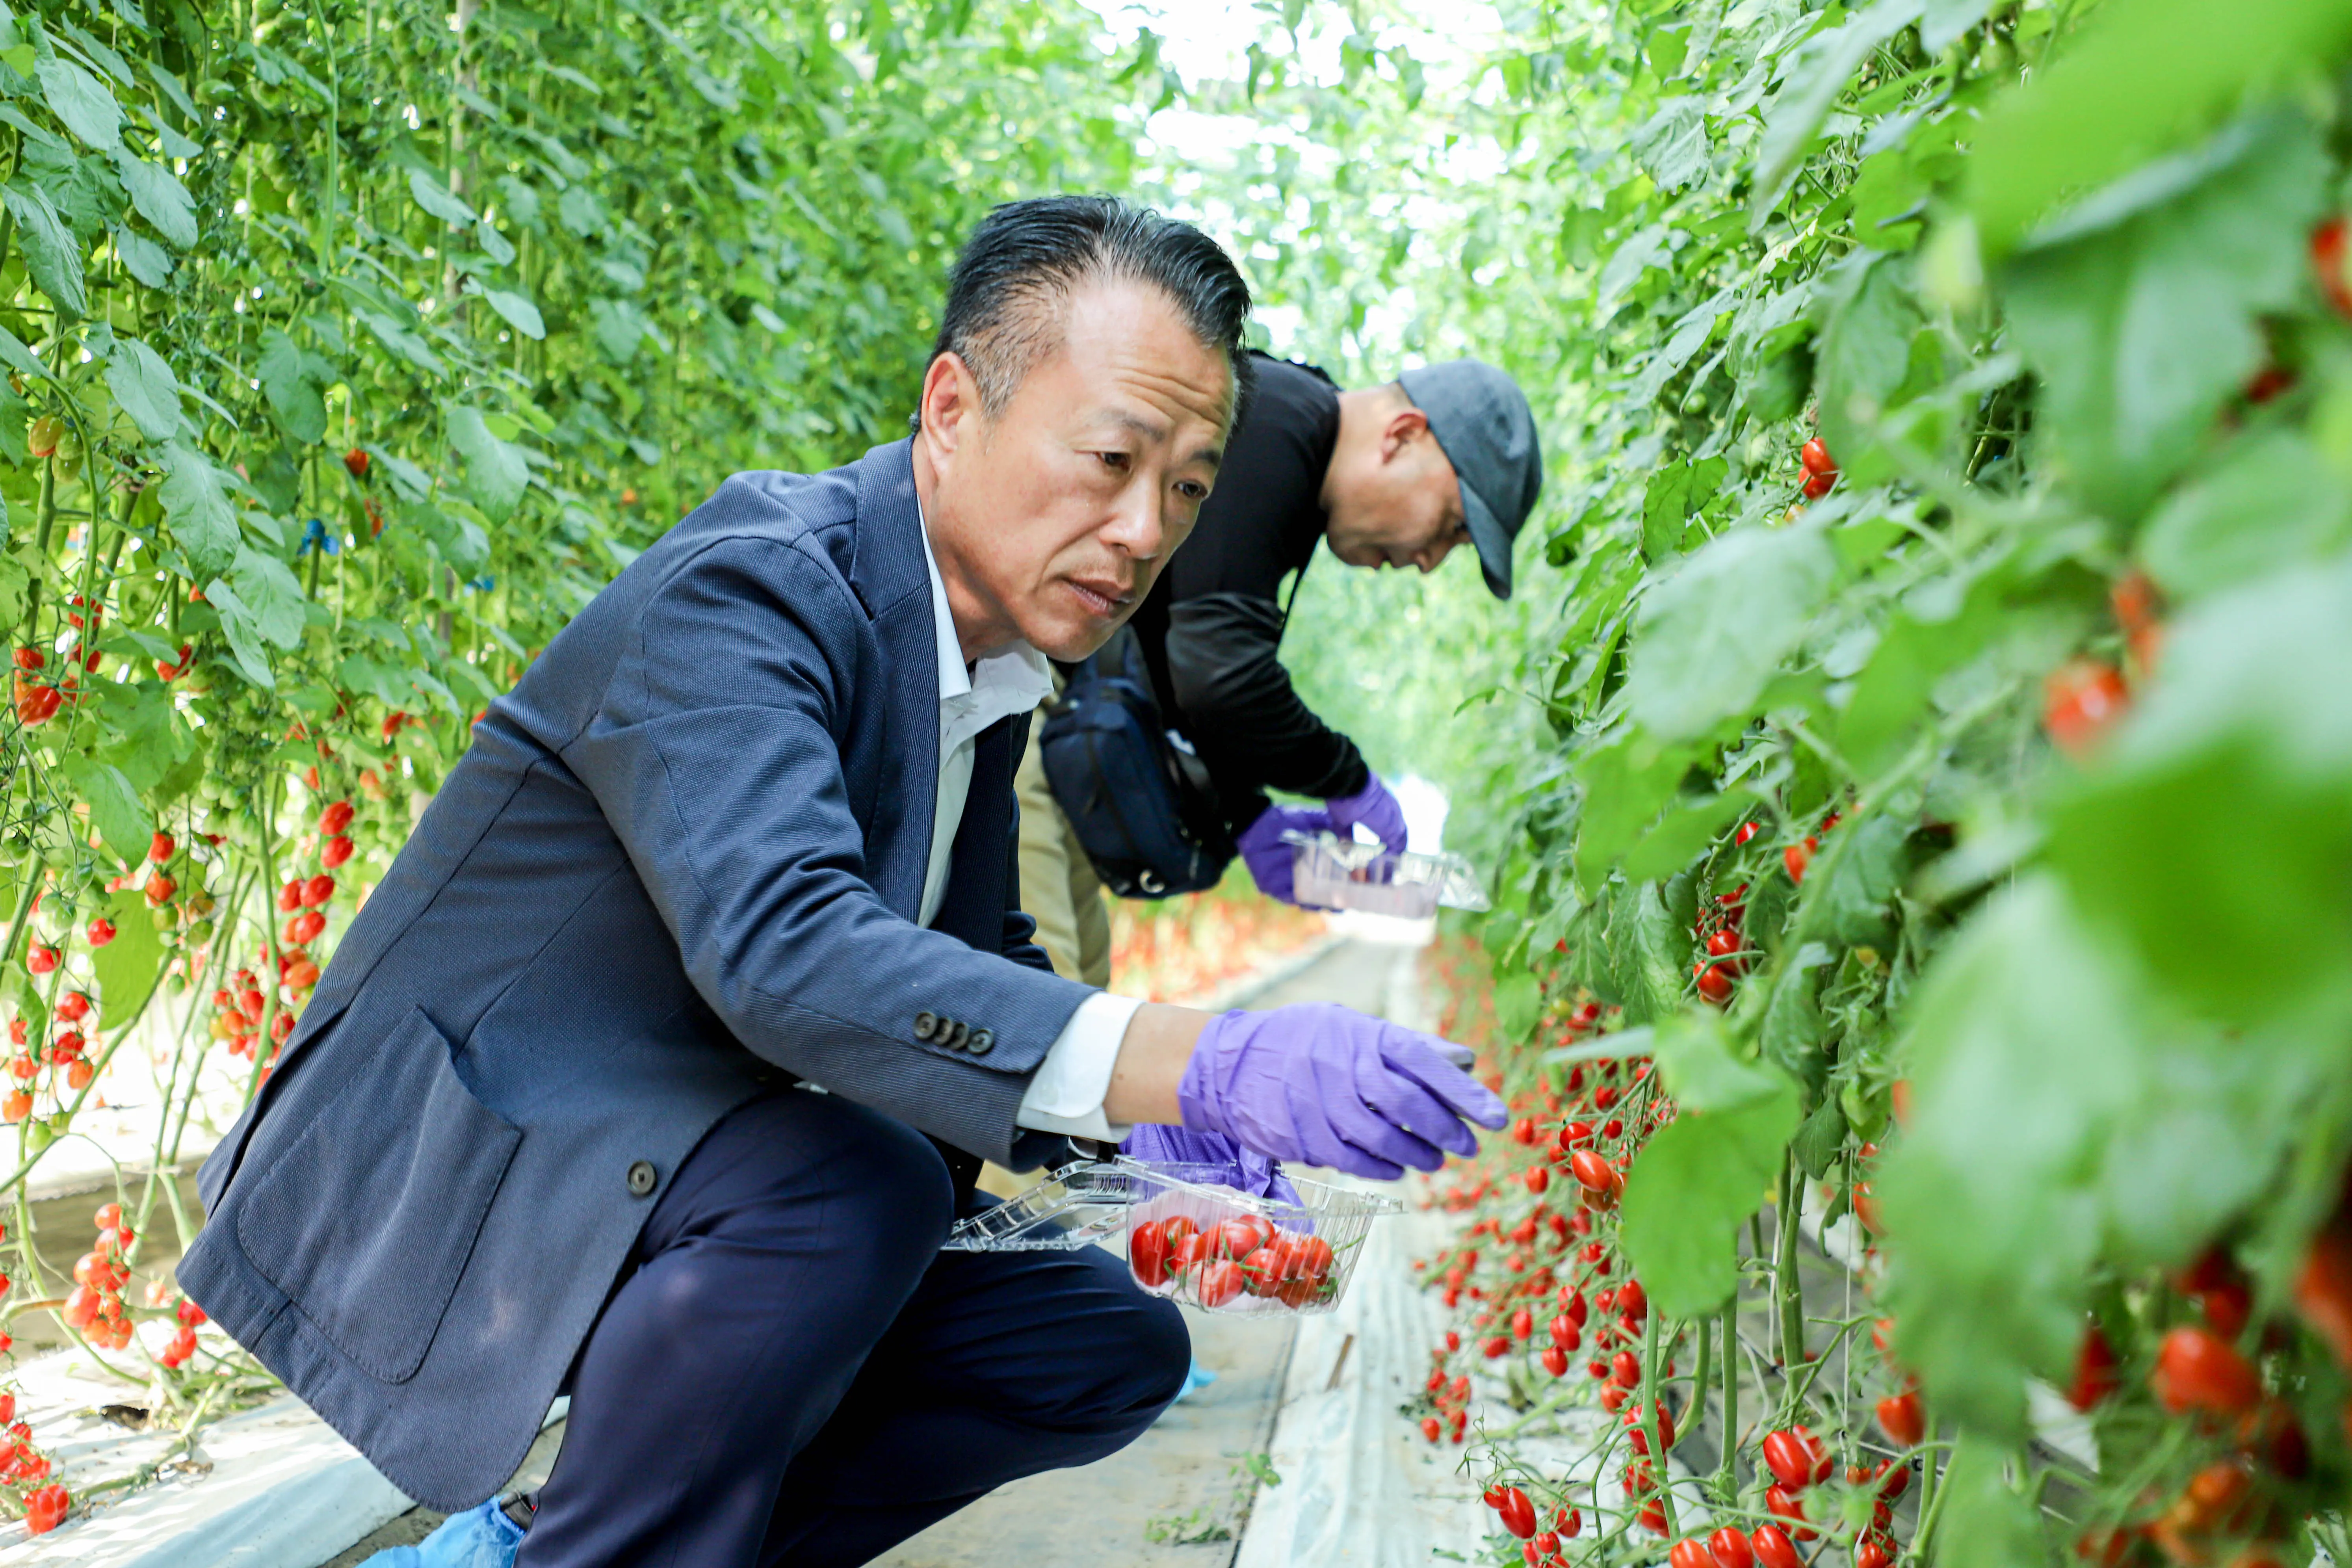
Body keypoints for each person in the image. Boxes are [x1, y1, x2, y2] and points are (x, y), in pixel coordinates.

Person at [177, 196, 1504, 1568]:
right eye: (1112, 457)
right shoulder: (751, 592)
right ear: (950, 410)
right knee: (854, 1188)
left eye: (1185, 488)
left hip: (670, 1161)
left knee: (1102, 1346)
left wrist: (1144, 1133)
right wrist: (1202, 1058)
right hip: (472, 1176)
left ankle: (563, 1546)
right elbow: (789, 957)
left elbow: (977, 948)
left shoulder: (986, 676)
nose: (1141, 528)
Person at [1014, 349, 1542, 984]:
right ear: (1404, 436)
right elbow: (1219, 673)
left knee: (1076, 994)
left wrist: (1248, 814)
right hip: (1013, 693)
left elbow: (1179, 654)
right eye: (1452, 527)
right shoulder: (1275, 419)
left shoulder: (1287, 441)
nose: (1429, 561)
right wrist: (1344, 778)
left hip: (1053, 714)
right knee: (1042, 1015)